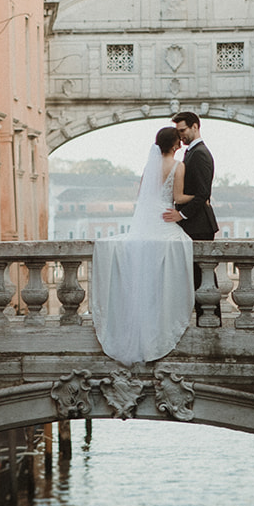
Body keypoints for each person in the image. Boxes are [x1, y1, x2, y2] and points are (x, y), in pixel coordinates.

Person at [90, 126, 195, 365]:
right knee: (180, 244)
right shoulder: (179, 166)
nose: (181, 144)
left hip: (148, 217)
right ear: (175, 145)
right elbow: (178, 198)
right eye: (179, 141)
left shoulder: (150, 166)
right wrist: (200, 197)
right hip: (164, 216)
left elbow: (143, 196)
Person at [166, 112, 219, 304]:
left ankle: (211, 319)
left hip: (200, 224)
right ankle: (206, 318)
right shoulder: (193, 152)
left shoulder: (201, 154)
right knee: (197, 277)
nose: (180, 136)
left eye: (183, 131)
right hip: (195, 223)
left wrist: (181, 214)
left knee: (202, 277)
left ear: (195, 126)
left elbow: (203, 193)